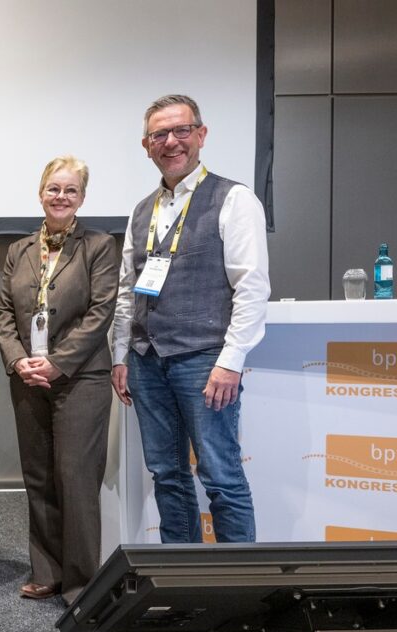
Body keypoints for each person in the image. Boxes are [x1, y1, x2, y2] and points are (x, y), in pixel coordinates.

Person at [111, 94, 271, 543]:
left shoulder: (234, 199)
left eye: (181, 130)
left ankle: (239, 581)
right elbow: (127, 290)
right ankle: (182, 576)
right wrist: (120, 355)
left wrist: (231, 361)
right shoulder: (141, 210)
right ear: (147, 146)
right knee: (167, 475)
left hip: (205, 361)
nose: (171, 142)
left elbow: (252, 287)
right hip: (146, 361)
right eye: (159, 134)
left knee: (221, 477)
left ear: (201, 135)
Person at [0, 156, 118, 604]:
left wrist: (58, 362)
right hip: (28, 377)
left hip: (81, 377)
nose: (60, 197)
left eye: (70, 190)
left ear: (81, 198)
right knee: (39, 476)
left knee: (76, 477)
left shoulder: (99, 246)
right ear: (40, 193)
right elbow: (3, 313)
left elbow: (101, 312)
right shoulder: (19, 250)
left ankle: (82, 580)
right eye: (53, 188)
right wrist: (18, 360)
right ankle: (46, 570)